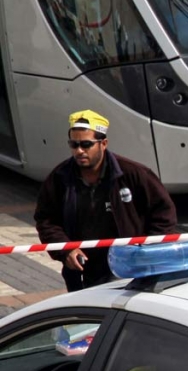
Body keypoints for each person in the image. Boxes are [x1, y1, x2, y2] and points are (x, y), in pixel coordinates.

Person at [35, 111, 177, 291]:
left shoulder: (134, 174)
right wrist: (66, 251)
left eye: (86, 144)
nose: (79, 151)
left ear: (103, 144)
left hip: (130, 271)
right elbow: (46, 220)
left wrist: (144, 252)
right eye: (74, 144)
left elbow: (164, 214)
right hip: (85, 274)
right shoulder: (59, 177)